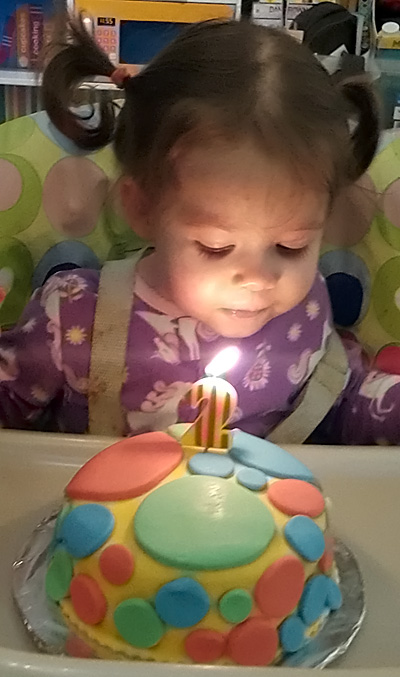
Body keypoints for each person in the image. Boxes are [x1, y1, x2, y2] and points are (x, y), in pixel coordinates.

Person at [0, 16, 398, 444]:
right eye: (216, 246)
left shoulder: (306, 306)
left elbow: (343, 401)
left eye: (291, 245)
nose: (259, 278)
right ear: (143, 209)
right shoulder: (74, 318)